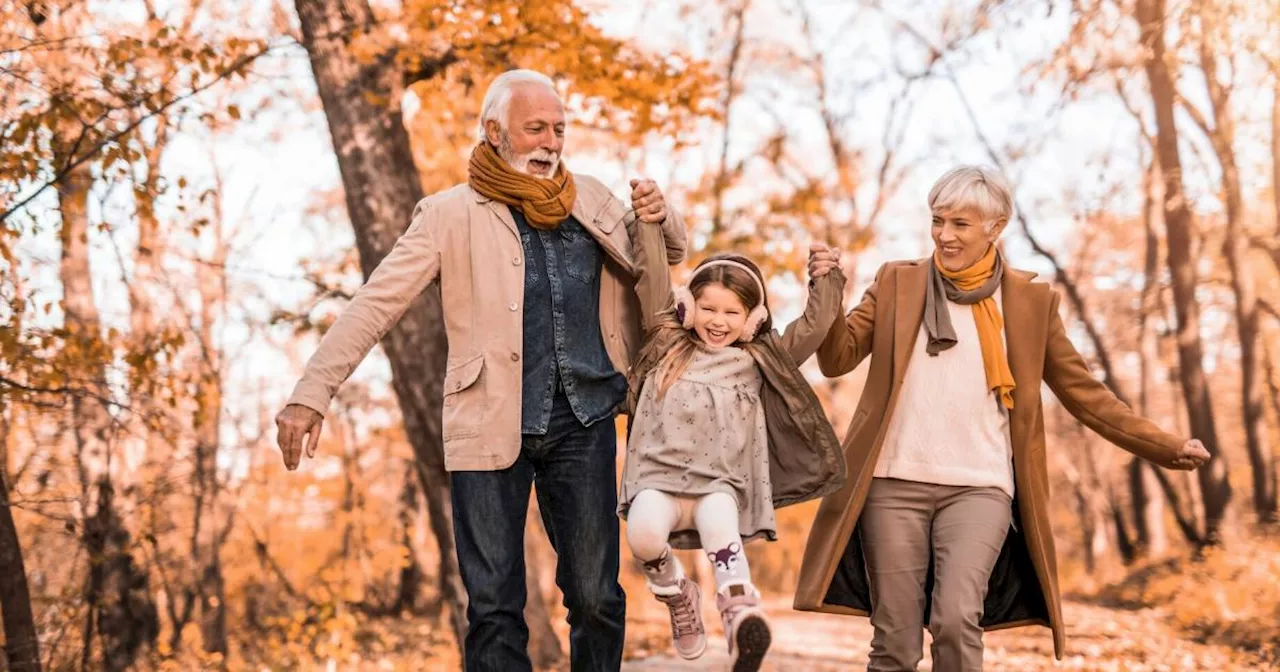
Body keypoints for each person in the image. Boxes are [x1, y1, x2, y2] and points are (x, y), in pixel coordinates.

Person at [273, 69, 688, 672]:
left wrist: (663, 214)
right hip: (489, 422)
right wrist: (312, 393)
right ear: (495, 132)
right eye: (536, 128)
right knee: (494, 606)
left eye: (559, 129)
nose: (550, 141)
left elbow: (666, 253)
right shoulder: (448, 215)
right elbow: (374, 304)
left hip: (586, 419)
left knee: (597, 598)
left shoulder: (592, 197)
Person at [791, 165, 1210, 672]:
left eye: (961, 224)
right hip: (892, 483)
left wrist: (1164, 445)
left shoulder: (1030, 303)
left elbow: (1086, 395)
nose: (944, 235)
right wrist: (827, 292)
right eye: (938, 220)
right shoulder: (897, 282)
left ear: (996, 227)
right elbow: (838, 359)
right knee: (895, 641)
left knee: (955, 620)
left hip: (980, 487)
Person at [618, 213, 848, 671]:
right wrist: (649, 222)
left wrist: (827, 277)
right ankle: (679, 594)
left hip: (717, 486)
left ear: (752, 319)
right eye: (708, 308)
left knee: (723, 531)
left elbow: (814, 327)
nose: (718, 322)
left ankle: (741, 616)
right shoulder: (666, 341)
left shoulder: (758, 360)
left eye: (731, 313)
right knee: (642, 535)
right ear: (686, 307)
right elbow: (651, 278)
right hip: (656, 482)